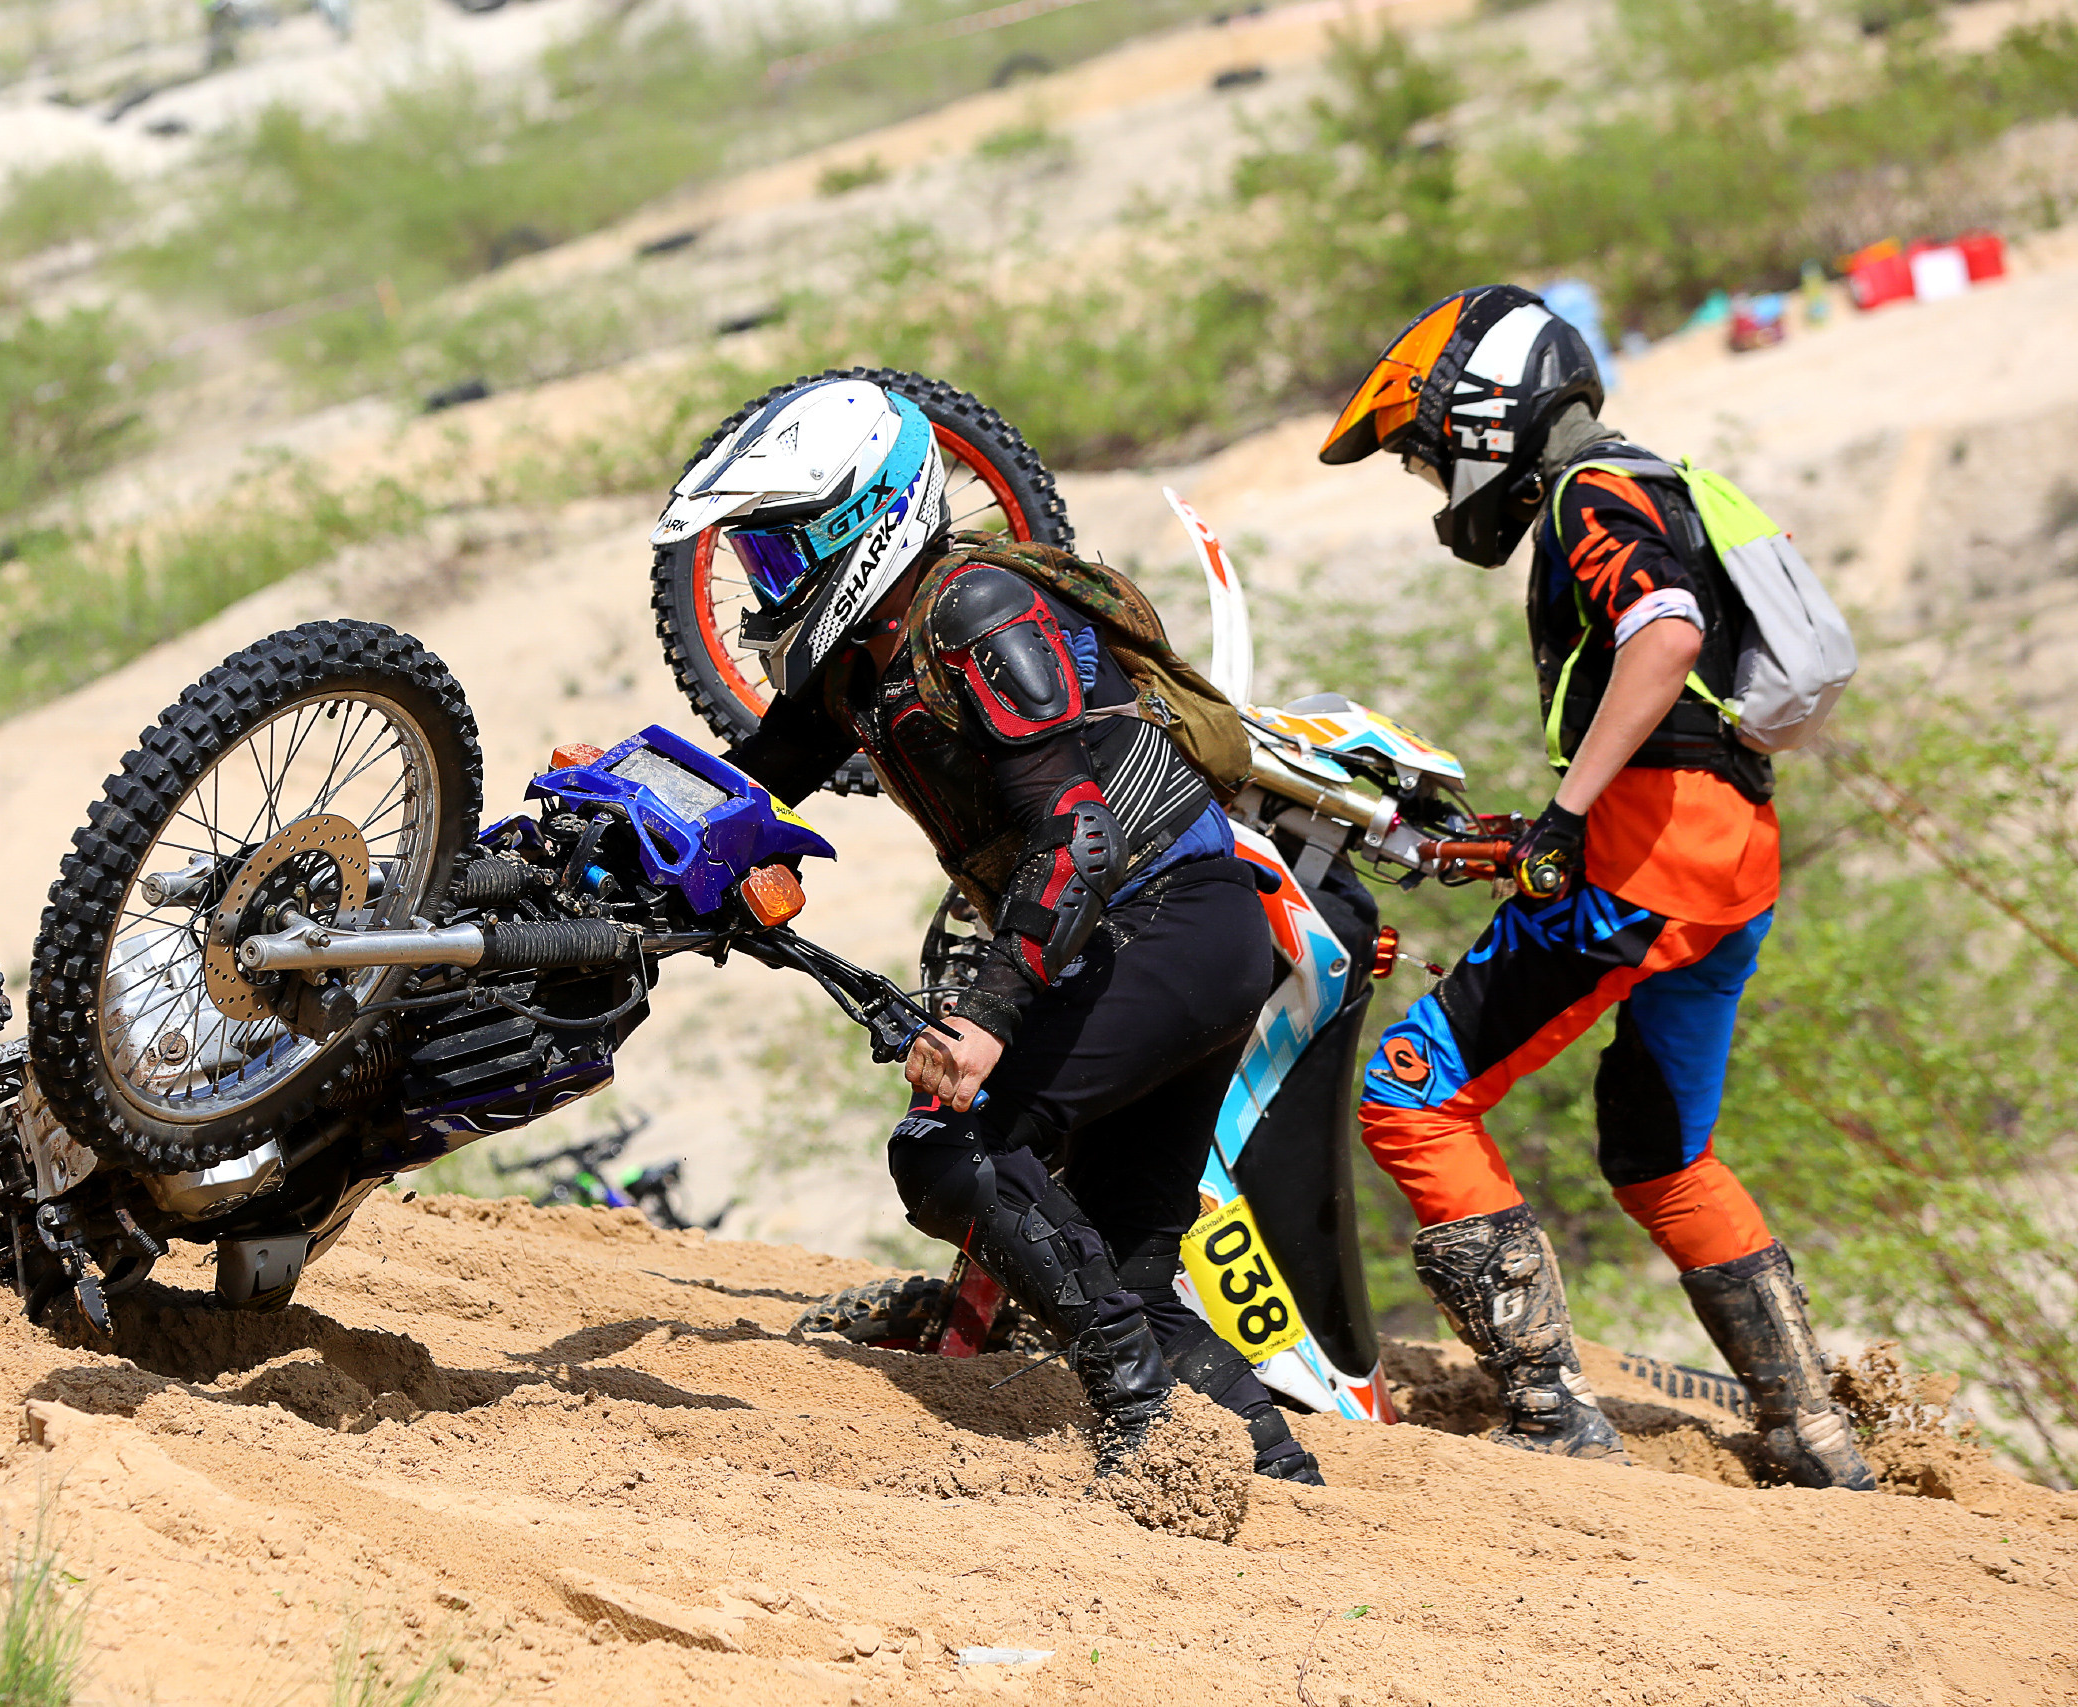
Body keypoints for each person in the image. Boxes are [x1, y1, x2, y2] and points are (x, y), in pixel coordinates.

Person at [650, 377, 1320, 1483]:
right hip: (1148, 944)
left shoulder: (976, 608)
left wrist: (993, 1013)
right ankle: (1276, 1483)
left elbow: (1081, 829)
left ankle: (1144, 1423)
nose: (767, 585)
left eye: (781, 554)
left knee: (946, 1146)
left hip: (1171, 924)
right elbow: (747, 794)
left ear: (865, 518)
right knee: (1122, 1270)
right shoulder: (857, 660)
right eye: (755, 560)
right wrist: (609, 823)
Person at [1316, 284, 1876, 1491]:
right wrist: (1545, 825)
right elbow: (1697, 697)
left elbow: (1664, 632)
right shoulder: (1650, 476)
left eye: (1423, 454)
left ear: (1480, 421)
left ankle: (1549, 1412)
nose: (1429, 480)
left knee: (1412, 1093)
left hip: (1646, 869)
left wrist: (1569, 819)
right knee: (1661, 1152)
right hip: (1730, 856)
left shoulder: (1589, 495)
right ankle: (1812, 1433)